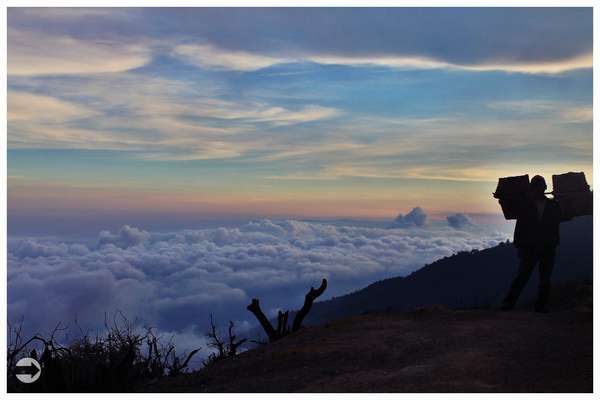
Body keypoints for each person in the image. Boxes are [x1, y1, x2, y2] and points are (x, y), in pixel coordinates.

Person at [500, 175, 569, 313]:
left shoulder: (553, 205)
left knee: (544, 278)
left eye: (540, 186)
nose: (538, 189)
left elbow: (560, 218)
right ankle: (509, 303)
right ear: (533, 188)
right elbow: (520, 227)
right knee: (523, 276)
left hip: (547, 247)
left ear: (544, 188)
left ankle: (540, 306)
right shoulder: (526, 205)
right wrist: (519, 245)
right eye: (536, 187)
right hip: (530, 248)